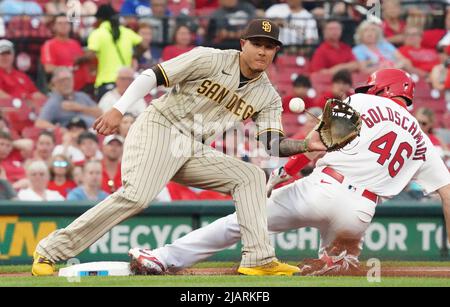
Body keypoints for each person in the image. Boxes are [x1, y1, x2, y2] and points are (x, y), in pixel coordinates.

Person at [32, 19, 327, 277]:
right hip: (160, 127)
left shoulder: (268, 96)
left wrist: (306, 144)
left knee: (250, 176)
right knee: (136, 196)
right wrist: (119, 109)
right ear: (243, 44)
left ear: (276, 51)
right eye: (257, 43)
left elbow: (272, 143)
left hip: (193, 146)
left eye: (270, 46)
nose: (263, 51)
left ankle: (259, 259)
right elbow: (153, 75)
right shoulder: (210, 59)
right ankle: (50, 250)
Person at [126, 69, 450, 275]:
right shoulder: (421, 139)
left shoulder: (362, 102)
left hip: (322, 188)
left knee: (241, 221)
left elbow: (316, 144)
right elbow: (447, 196)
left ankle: (164, 258)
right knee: (337, 273)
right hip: (361, 212)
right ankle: (336, 261)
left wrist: (284, 172)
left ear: (380, 88)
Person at [86, 4, 143, 100]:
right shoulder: (126, 32)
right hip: (126, 82)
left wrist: (77, 59)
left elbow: (90, 55)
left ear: (100, 19)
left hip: (106, 82)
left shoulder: (97, 33)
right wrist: (134, 56)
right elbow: (143, 44)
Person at [35, 67, 102, 129]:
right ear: (55, 84)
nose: (66, 83)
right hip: (74, 136)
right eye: (62, 81)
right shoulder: (54, 101)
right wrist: (61, 131)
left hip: (93, 132)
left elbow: (100, 113)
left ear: (73, 80)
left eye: (68, 80)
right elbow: (40, 123)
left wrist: (79, 108)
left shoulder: (82, 96)